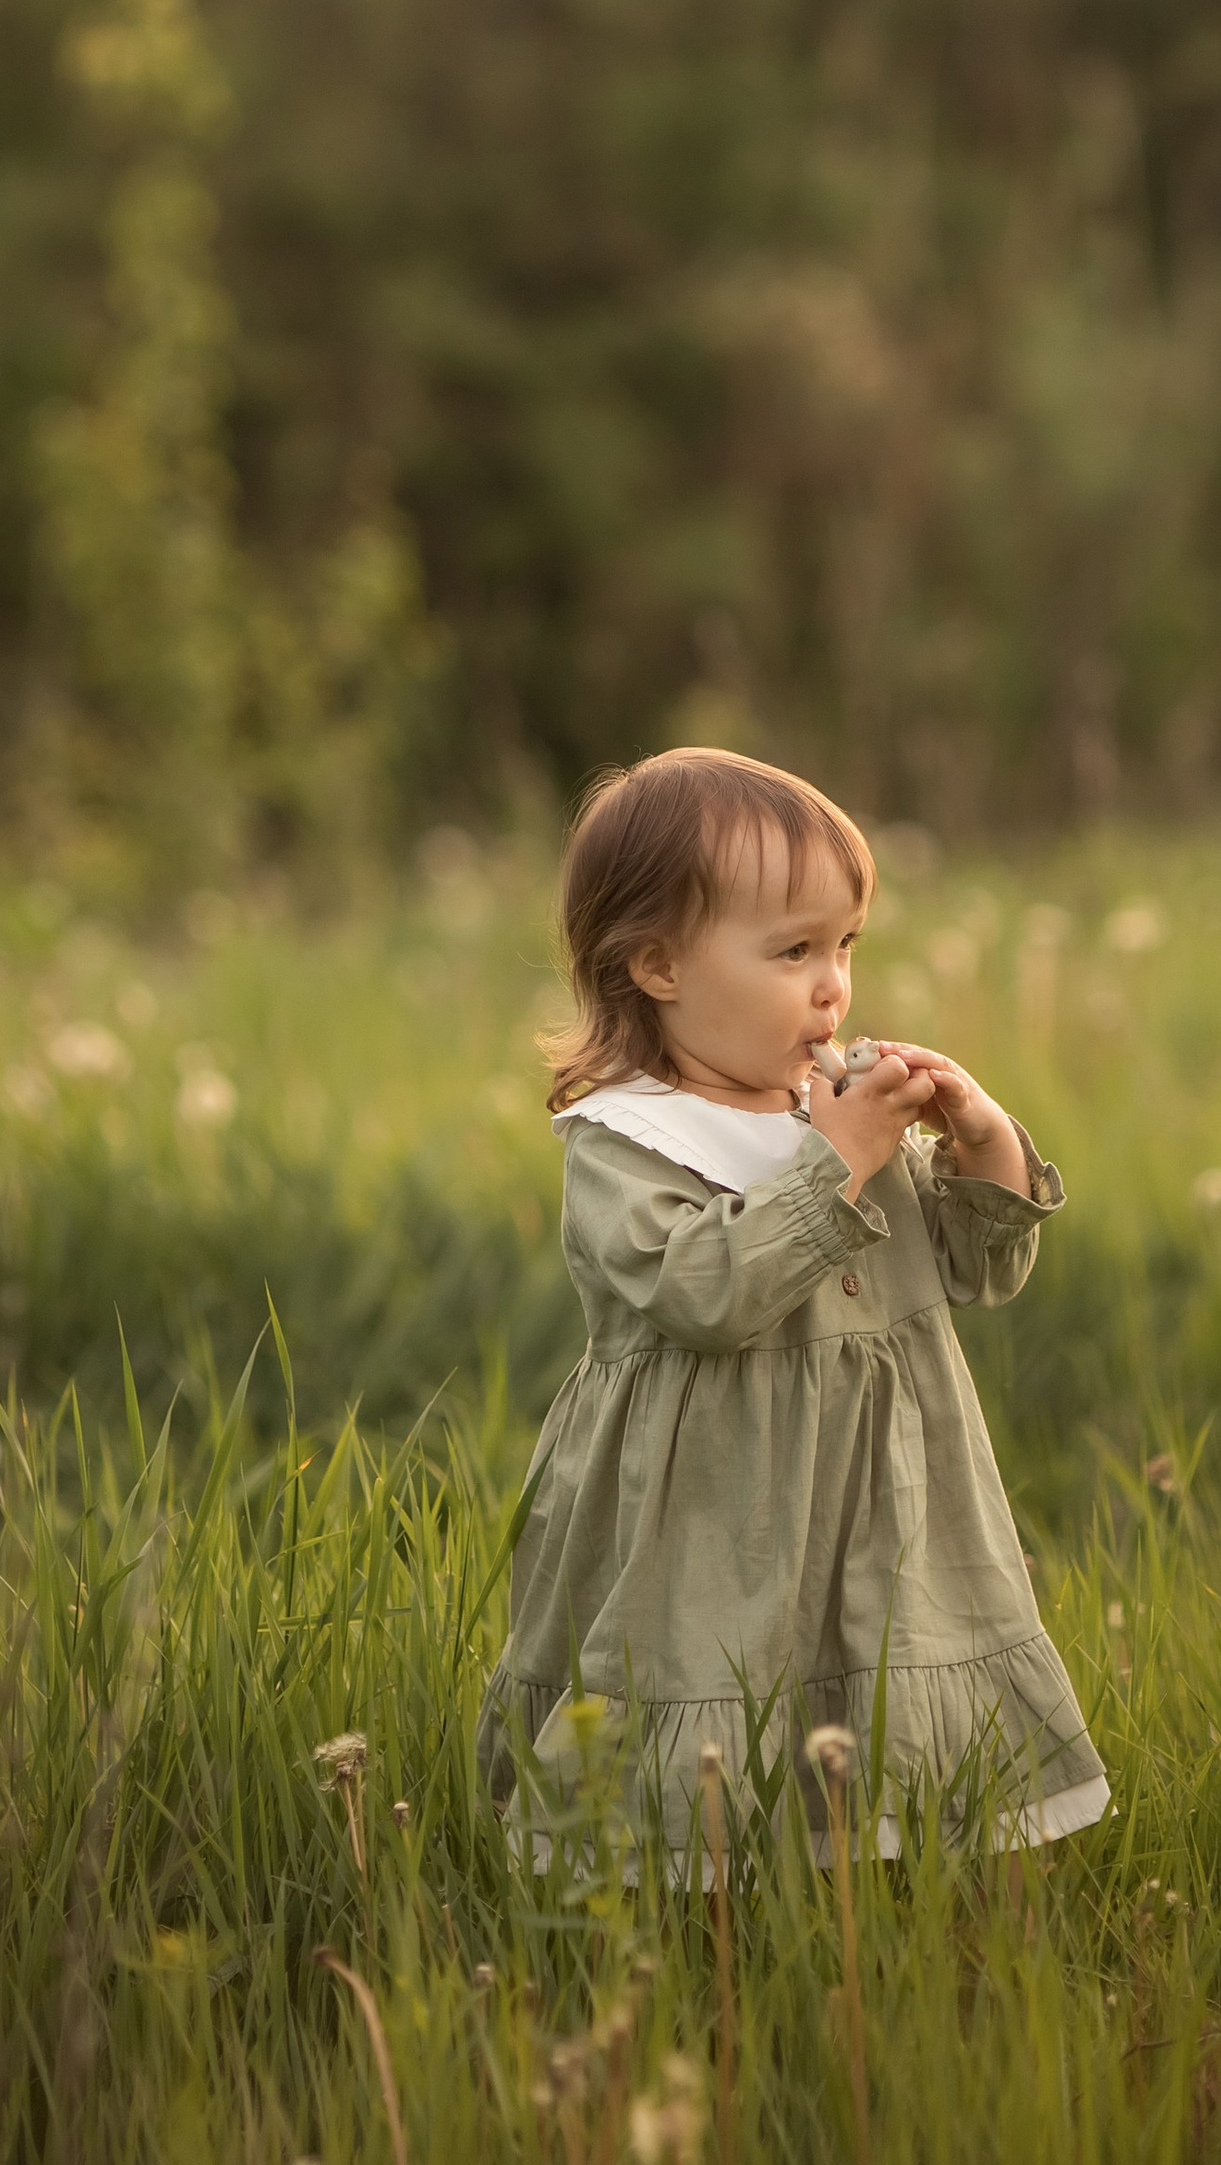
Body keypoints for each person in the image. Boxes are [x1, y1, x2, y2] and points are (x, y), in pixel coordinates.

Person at [478, 744, 1109, 1867]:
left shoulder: (831, 1102)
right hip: (712, 1512)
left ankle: (870, 1902)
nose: (833, 985)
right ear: (658, 964)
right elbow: (706, 1294)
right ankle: (704, 1923)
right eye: (793, 950)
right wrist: (840, 1161)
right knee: (718, 1697)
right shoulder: (631, 1141)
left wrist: (980, 1139)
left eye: (845, 945)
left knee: (874, 1683)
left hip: (879, 1489)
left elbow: (980, 1270)